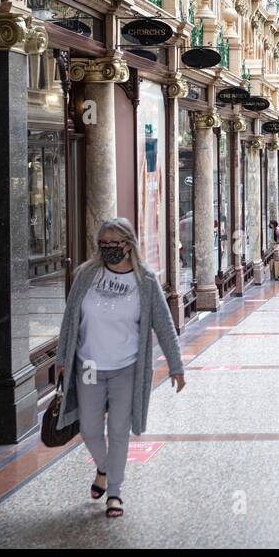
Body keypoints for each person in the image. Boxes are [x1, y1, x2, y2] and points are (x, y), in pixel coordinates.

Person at [54, 218, 186, 519]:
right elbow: (70, 317)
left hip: (127, 366)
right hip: (88, 365)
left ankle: (114, 491)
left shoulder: (146, 280)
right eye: (103, 244)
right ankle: (103, 466)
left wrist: (176, 366)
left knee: (118, 431)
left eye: (114, 244)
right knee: (88, 428)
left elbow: (164, 325)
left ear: (128, 244)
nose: (108, 250)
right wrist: (62, 358)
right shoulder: (86, 275)